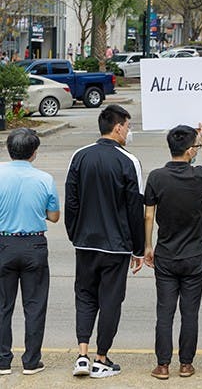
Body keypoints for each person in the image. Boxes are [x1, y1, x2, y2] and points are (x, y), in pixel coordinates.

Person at [65, 104, 144, 378]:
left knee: (85, 297)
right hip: (116, 245)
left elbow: (71, 201)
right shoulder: (128, 161)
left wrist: (75, 234)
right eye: (128, 127)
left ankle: (82, 355)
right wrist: (138, 248)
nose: (128, 132)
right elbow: (135, 208)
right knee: (110, 300)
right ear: (118, 126)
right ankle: (102, 358)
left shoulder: (80, 156)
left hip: (85, 243)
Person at [144, 124, 202, 380]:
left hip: (166, 254)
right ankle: (186, 364)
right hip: (194, 254)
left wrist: (148, 246)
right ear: (189, 151)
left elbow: (149, 215)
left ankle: (162, 365)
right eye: (195, 147)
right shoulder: (197, 176)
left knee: (164, 312)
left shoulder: (156, 177)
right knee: (190, 312)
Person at [0, 128, 60, 376]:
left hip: (4, 242)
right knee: (34, 305)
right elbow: (54, 216)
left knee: (3, 305)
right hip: (34, 244)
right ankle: (31, 360)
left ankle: (3, 360)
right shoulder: (44, 179)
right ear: (34, 153)